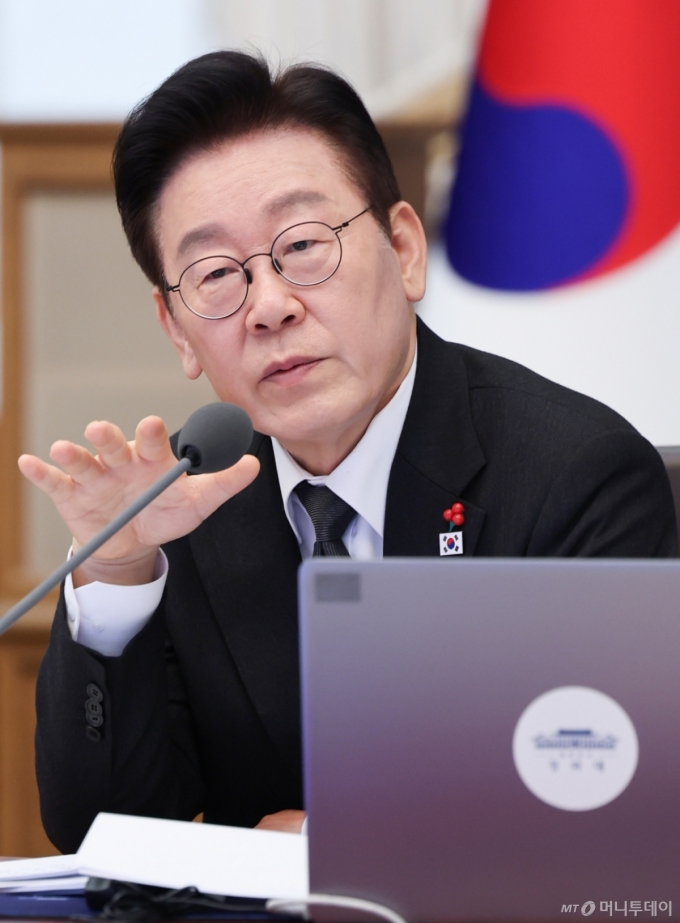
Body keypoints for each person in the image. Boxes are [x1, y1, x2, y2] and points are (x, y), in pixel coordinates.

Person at [24, 51, 676, 855]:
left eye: (303, 244)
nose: (269, 306)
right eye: (217, 273)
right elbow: (99, 831)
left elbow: (605, 807)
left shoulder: (575, 475)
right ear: (177, 331)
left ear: (404, 251)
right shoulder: (186, 502)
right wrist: (117, 570)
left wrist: (344, 842)